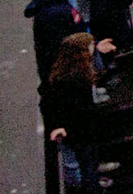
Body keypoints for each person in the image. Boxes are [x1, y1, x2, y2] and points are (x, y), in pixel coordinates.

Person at [41, 33, 111, 193]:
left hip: (79, 128)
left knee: (87, 162)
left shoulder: (65, 73)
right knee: (87, 163)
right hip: (80, 130)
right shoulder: (74, 78)